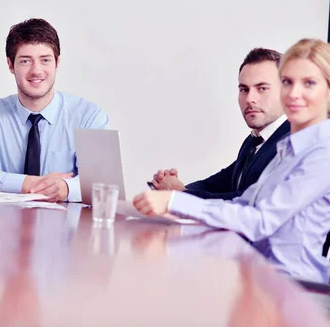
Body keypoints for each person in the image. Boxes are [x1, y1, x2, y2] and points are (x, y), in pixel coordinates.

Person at [134, 38, 330, 283]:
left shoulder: (323, 152)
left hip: (293, 287)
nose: (293, 93)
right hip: (255, 273)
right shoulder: (289, 147)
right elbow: (244, 204)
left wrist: (176, 201)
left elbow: (261, 220)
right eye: (287, 82)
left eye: (309, 83)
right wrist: (175, 199)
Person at [0, 18, 109, 202]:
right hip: (2, 226)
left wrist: (66, 188)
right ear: (10, 65)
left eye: (45, 60)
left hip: (67, 227)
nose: (36, 70)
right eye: (25, 61)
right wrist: (26, 183)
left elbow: (104, 183)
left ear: (57, 63)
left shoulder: (88, 117)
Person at [151, 48, 290, 200]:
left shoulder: (293, 143)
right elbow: (218, 183)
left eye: (262, 88)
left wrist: (181, 195)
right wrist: (171, 187)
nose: (250, 99)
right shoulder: (255, 140)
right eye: (244, 89)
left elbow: (249, 202)